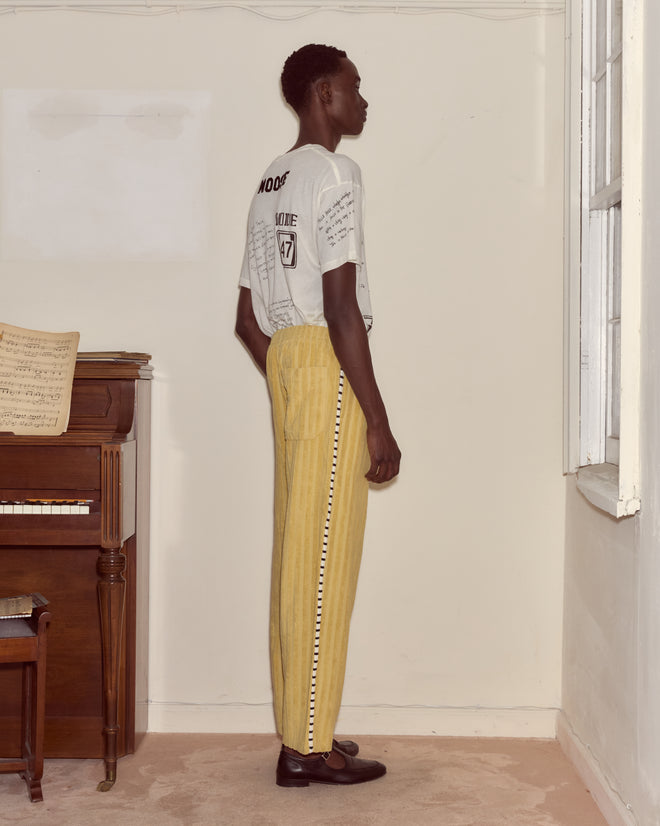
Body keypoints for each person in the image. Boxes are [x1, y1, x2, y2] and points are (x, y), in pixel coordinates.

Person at [235, 43, 401, 787]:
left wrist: (285, 371)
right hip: (327, 362)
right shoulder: (336, 172)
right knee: (327, 556)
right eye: (357, 89)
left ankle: (305, 727)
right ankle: (308, 749)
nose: (364, 102)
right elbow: (340, 307)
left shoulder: (268, 181)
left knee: (297, 550)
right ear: (325, 92)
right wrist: (376, 415)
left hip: (287, 364)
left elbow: (245, 319)